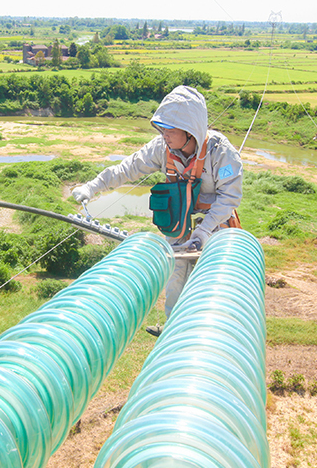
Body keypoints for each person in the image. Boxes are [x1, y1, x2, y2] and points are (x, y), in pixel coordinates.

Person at [71, 85, 242, 337]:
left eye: (170, 128)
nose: (164, 135)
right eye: (161, 128)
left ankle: (207, 335)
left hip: (215, 227)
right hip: (180, 225)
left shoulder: (221, 152)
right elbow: (127, 168)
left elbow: (230, 196)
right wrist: (92, 186)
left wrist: (204, 232)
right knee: (175, 279)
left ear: (190, 130)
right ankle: (174, 331)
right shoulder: (161, 149)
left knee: (208, 283)